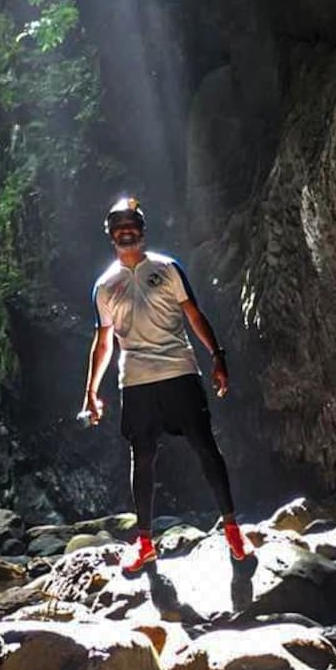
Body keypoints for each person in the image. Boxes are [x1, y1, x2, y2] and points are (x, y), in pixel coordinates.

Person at [80, 196, 251, 576]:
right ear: (111, 235)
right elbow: (103, 341)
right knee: (142, 459)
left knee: (206, 448)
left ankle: (232, 530)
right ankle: (144, 542)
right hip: (136, 381)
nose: (126, 232)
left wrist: (217, 356)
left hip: (179, 372)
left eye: (131, 226)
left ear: (142, 230)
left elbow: (193, 315)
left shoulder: (167, 268)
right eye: (119, 228)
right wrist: (91, 391)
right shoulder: (105, 286)